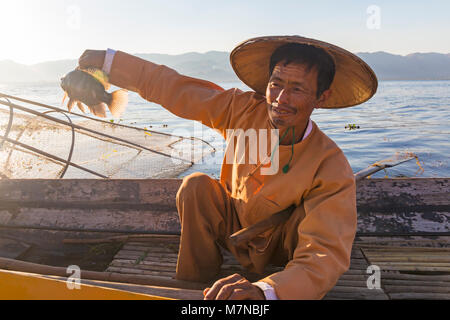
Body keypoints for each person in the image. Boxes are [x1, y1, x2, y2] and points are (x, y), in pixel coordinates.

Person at [78, 35, 377, 300]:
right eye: (276, 84)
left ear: (321, 97)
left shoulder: (330, 164)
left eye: (297, 89)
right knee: (196, 185)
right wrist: (109, 62)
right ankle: (195, 284)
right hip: (236, 231)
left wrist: (265, 291)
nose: (281, 100)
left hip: (282, 253)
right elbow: (176, 88)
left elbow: (323, 254)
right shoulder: (242, 110)